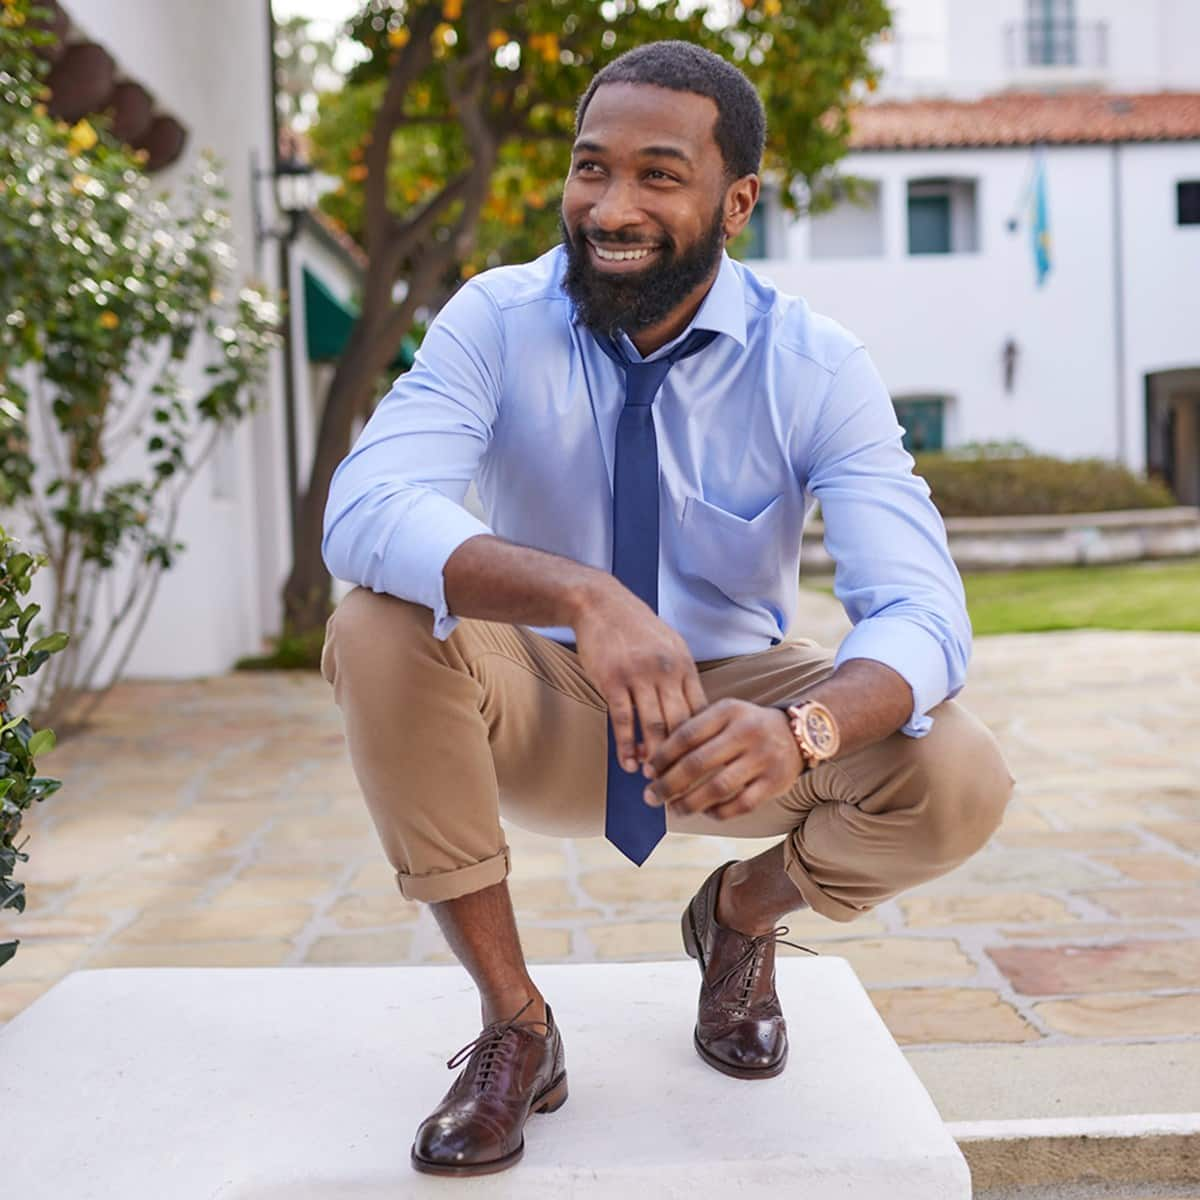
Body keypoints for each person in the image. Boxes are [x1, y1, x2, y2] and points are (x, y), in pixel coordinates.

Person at [320, 39, 1013, 1178]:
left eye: (657, 174)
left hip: (724, 718)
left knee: (958, 773)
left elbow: (924, 612)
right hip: (536, 696)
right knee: (376, 621)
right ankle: (514, 1027)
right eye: (591, 169)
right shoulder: (494, 319)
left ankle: (740, 913)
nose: (610, 204)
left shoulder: (814, 363)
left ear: (736, 198)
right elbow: (367, 507)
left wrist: (803, 730)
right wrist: (584, 595)